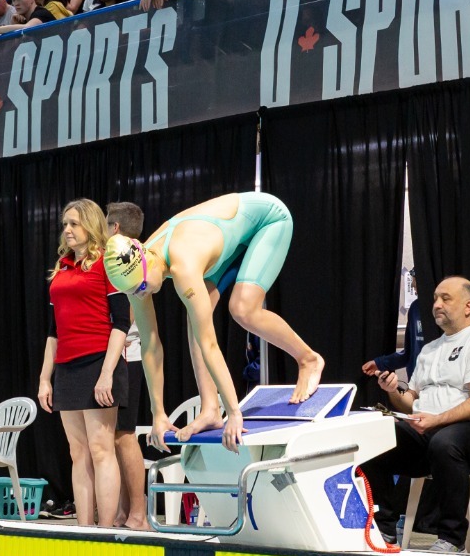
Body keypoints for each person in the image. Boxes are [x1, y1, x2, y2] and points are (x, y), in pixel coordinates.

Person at [106, 191, 325, 450]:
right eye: (132, 292)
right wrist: (158, 414)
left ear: (146, 262)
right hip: (222, 245)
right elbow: (150, 346)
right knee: (196, 319)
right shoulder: (136, 273)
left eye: (141, 287)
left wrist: (234, 412)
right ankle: (210, 409)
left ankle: (308, 359)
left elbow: (209, 344)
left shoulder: (182, 265)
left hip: (266, 221)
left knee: (242, 308)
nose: (140, 295)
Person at [368, 277, 470, 553]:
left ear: (468, 306)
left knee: (447, 441)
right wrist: (392, 392)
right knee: (376, 435)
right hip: (431, 433)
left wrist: (435, 420)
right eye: (435, 298)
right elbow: (410, 402)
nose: (437, 304)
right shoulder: (429, 350)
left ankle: (451, 538)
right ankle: (383, 527)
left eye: (445, 298)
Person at [39, 200, 132, 528]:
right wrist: (44, 379)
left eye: (75, 223)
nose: (67, 229)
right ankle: (83, 528)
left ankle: (104, 532)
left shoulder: (108, 263)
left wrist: (107, 373)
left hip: (98, 363)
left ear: (90, 225)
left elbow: (122, 322)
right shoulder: (62, 267)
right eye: (65, 223)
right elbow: (53, 330)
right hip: (67, 367)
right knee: (78, 453)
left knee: (100, 449)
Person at [104, 201, 151, 531]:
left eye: (106, 225)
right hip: (123, 356)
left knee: (124, 435)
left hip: (127, 357)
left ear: (115, 229)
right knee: (115, 436)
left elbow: (129, 313)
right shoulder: (137, 254)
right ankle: (123, 512)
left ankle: (138, 513)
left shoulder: (126, 258)